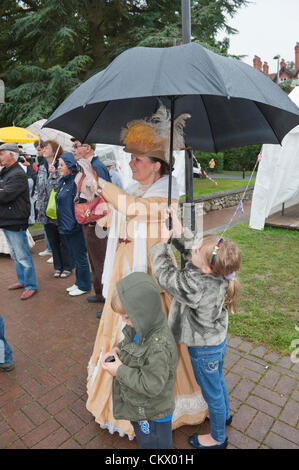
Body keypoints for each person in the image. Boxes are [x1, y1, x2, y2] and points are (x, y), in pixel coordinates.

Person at [86, 103, 208, 439]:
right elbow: (122, 214)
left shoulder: (164, 197)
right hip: (125, 275)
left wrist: (102, 186)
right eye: (131, 159)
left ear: (156, 166)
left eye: (137, 160)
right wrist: (103, 214)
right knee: (120, 334)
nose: (130, 164)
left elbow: (136, 211)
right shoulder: (140, 191)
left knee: (151, 342)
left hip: (149, 282)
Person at [150, 208, 241, 449]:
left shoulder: (196, 285)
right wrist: (179, 228)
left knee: (211, 390)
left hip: (204, 350)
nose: (192, 250)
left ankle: (218, 437)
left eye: (195, 252)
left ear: (206, 268)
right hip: (216, 342)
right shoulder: (215, 270)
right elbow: (197, 250)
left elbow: (166, 275)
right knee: (217, 381)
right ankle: (224, 414)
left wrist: (162, 245)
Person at [101, 272, 178, 449]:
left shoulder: (159, 346)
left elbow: (151, 385)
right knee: (146, 441)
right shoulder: (142, 326)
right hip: (141, 408)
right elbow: (130, 341)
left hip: (153, 414)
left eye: (127, 317)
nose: (123, 321)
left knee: (154, 444)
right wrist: (118, 349)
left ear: (144, 313)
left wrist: (119, 370)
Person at [72, 139, 111, 313]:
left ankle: (108, 300)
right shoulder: (85, 166)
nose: (73, 149)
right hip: (88, 218)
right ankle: (99, 293)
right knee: (94, 259)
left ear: (87, 148)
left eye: (76, 146)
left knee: (101, 259)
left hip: (97, 221)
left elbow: (106, 194)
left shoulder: (98, 167)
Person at [0, 143, 38, 300]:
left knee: (22, 255)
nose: (0, 157)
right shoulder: (7, 172)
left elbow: (5, 196)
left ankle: (31, 285)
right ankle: (23, 281)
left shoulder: (16, 173)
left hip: (15, 220)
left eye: (1, 154)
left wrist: (2, 190)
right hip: (8, 219)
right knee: (15, 254)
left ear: (11, 155)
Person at [56, 152, 91, 296]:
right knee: (74, 256)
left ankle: (84, 285)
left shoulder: (75, 182)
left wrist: (74, 223)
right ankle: (78, 282)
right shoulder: (62, 181)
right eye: (59, 164)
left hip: (75, 227)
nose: (59, 167)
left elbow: (82, 203)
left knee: (80, 257)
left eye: (61, 165)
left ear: (70, 166)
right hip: (65, 226)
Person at [42, 140, 75, 278]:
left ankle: (67, 266)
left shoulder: (61, 166)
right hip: (46, 209)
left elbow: (59, 187)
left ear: (55, 149)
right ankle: (58, 266)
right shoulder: (43, 166)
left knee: (63, 240)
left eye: (46, 147)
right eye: (42, 147)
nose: (43, 150)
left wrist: (54, 175)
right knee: (53, 240)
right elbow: (41, 187)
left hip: (58, 209)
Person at [34, 140, 52, 259]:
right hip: (43, 202)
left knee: (53, 228)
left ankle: (55, 252)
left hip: (51, 202)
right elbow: (38, 184)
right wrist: (37, 197)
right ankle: (49, 248)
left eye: (41, 149)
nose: (40, 152)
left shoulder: (53, 166)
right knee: (46, 226)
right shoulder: (41, 165)